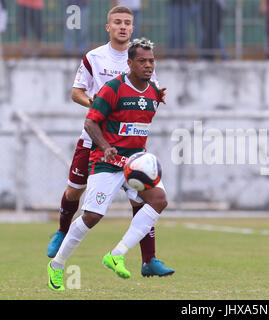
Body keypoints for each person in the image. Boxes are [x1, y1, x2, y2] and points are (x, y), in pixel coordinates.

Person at [46, 5, 174, 278]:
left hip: (132, 153)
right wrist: (100, 106)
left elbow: (147, 98)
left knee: (153, 200)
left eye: (127, 22)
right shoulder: (96, 59)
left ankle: (138, 258)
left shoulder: (146, 71)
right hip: (98, 145)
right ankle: (61, 238)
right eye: (117, 22)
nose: (123, 26)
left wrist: (154, 97)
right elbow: (78, 96)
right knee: (79, 198)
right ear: (109, 27)